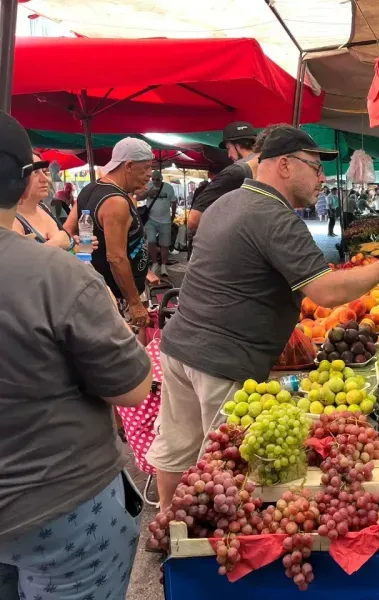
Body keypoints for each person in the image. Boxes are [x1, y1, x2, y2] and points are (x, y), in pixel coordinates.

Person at [148, 125, 379, 510]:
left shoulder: (225, 203)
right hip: (222, 362)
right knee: (227, 465)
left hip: (179, 348)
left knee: (178, 446)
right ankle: (211, 539)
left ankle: (168, 525)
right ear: (285, 165)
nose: (322, 178)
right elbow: (326, 293)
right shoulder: (274, 217)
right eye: (315, 167)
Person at [0, 111, 153, 600]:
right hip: (59, 506)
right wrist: (112, 308)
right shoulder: (56, 275)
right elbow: (132, 388)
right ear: (22, 179)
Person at [77, 137, 155, 331]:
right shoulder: (116, 202)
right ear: (128, 166)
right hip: (118, 297)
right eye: (146, 168)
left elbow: (69, 230)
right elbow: (116, 257)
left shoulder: (89, 189)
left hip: (101, 289)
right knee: (130, 347)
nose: (150, 174)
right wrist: (135, 303)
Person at [188, 121, 259, 233]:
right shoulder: (268, 166)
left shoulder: (234, 172)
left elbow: (193, 219)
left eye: (228, 148)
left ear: (237, 145)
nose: (229, 155)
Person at [145, 170, 177, 277]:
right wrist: (148, 193)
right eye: (153, 179)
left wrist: (173, 215)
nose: (155, 181)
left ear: (161, 179)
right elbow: (137, 197)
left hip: (165, 220)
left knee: (165, 244)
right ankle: (154, 263)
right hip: (150, 219)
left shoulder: (168, 187)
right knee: (151, 241)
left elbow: (173, 202)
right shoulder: (148, 186)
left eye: (157, 179)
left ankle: (163, 265)